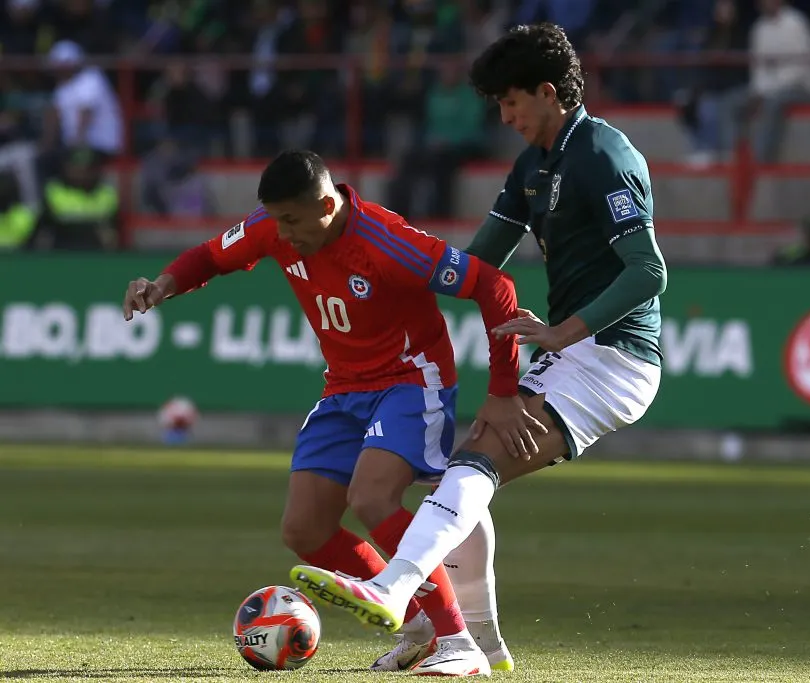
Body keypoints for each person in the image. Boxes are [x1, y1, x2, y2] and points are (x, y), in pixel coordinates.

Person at [290, 22, 668, 672]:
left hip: (613, 358)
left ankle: (395, 588)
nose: (504, 115)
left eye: (511, 102)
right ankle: (480, 643)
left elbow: (649, 270)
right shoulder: (534, 165)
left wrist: (560, 331)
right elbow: (475, 263)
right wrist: (385, 273)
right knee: (457, 474)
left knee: (470, 469)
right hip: (573, 355)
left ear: (549, 92)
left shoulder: (604, 155)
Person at [122, 150, 536, 677]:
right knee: (305, 528)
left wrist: (502, 389)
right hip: (343, 387)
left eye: (292, 221)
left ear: (326, 204)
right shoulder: (275, 226)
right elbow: (210, 256)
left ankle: (460, 641)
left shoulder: (387, 242)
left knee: (372, 496)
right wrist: (162, 284)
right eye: (275, 220)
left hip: (411, 380)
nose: (282, 234)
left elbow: (494, 286)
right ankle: (418, 623)